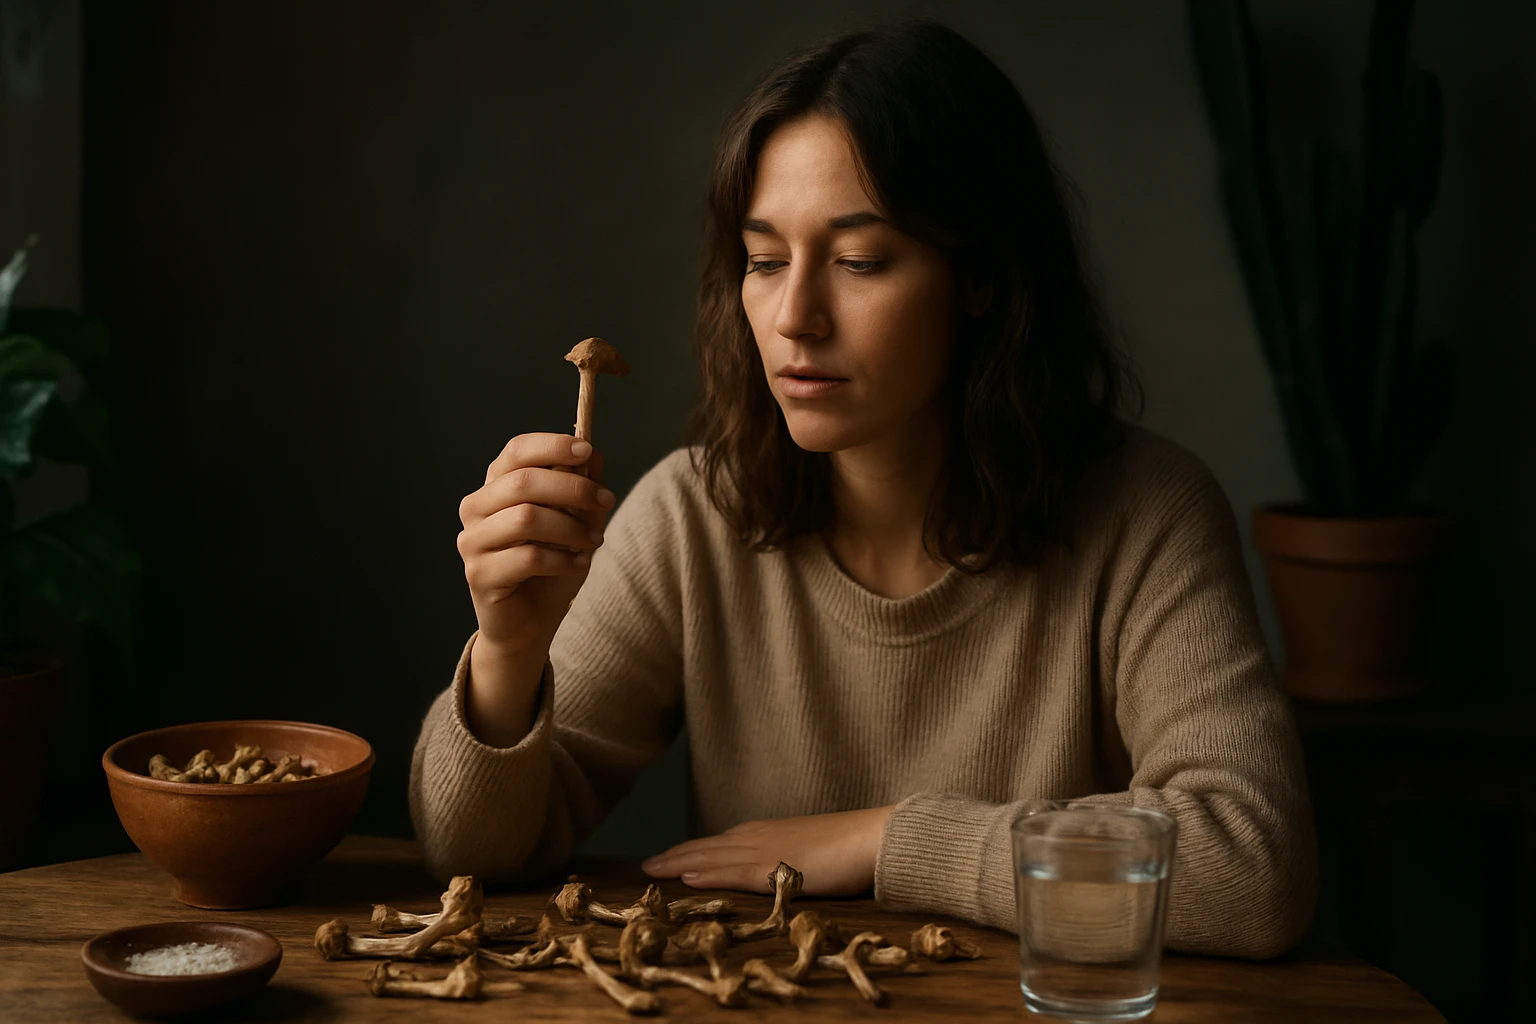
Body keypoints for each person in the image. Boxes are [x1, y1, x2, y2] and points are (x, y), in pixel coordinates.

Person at [411, 18, 1316, 959]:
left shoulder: (1148, 516)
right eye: (764, 261)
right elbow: (470, 852)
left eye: (860, 261)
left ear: (980, 277)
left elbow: (1251, 874)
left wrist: (883, 839)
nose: (795, 317)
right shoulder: (692, 516)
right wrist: (508, 652)